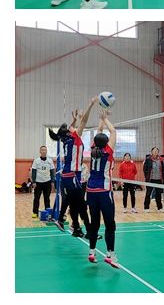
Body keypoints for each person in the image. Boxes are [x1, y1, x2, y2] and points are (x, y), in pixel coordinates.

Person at [50, 97, 98, 237]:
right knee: (80, 203)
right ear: (69, 132)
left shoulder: (67, 139)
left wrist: (75, 119)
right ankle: (63, 220)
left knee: (75, 202)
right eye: (70, 128)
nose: (72, 127)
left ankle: (76, 228)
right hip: (71, 174)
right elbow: (84, 121)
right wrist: (90, 105)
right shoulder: (74, 137)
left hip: (70, 173)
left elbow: (73, 126)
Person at [86, 108, 119, 267]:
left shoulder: (93, 149)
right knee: (110, 224)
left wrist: (101, 118)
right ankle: (110, 255)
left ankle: (92, 252)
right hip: (104, 192)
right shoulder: (108, 151)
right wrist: (105, 118)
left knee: (94, 223)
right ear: (106, 143)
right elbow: (113, 131)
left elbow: (99, 132)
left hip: (91, 192)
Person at [31, 145, 55, 218]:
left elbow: (52, 172)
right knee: (36, 198)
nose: (43, 151)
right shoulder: (36, 160)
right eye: (42, 150)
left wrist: (52, 182)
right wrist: (34, 182)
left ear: (46, 151)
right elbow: (34, 171)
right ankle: (35, 213)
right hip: (38, 183)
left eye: (45, 150)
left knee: (47, 198)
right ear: (40, 151)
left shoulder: (50, 160)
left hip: (47, 182)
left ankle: (48, 213)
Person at [143, 147, 164, 212]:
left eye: (156, 150)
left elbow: (163, 169)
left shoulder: (161, 159)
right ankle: (146, 207)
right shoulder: (148, 159)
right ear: (151, 152)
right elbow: (145, 169)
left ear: (158, 152)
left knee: (158, 194)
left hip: (159, 179)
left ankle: (159, 208)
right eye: (154, 150)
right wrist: (147, 177)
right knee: (148, 194)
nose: (155, 151)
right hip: (150, 179)